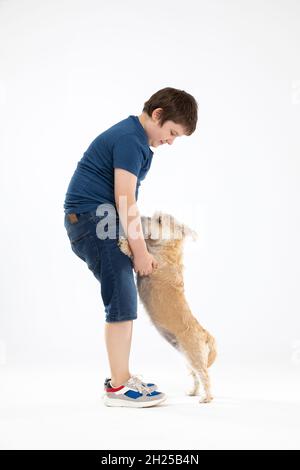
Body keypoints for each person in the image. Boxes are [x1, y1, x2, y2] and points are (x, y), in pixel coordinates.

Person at [63, 87, 198, 407]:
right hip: (94, 220)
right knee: (122, 297)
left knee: (122, 297)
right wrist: (140, 252)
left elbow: (123, 201)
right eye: (172, 133)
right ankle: (118, 388)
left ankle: (120, 378)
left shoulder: (134, 139)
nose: (170, 141)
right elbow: (125, 200)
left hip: (99, 218)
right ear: (158, 115)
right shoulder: (130, 140)